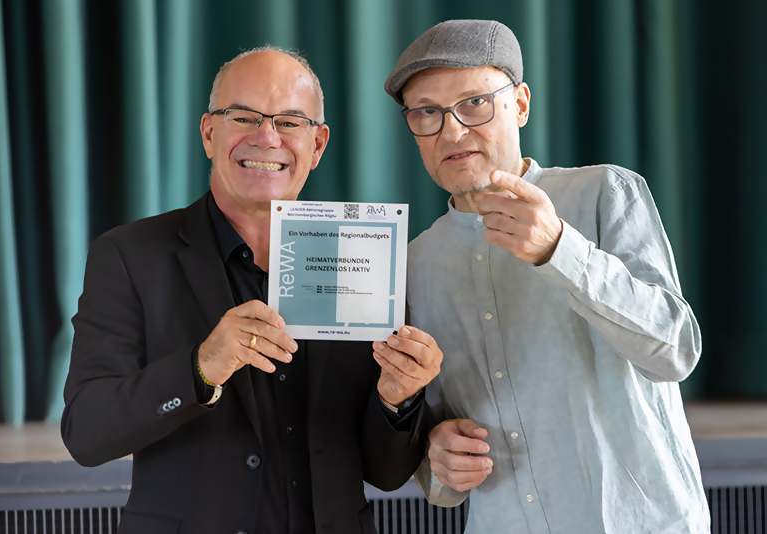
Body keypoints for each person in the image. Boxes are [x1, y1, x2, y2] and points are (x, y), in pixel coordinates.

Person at [62, 46, 442, 534]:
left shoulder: (367, 258)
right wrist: (200, 369)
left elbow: (386, 474)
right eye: (243, 116)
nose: (267, 137)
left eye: (289, 122)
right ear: (208, 133)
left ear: (318, 144)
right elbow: (86, 434)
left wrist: (396, 400)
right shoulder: (130, 256)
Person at [384, 19, 709, 533]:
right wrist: (437, 458)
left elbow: (675, 351)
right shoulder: (411, 263)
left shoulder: (604, 193)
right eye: (427, 112)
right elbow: (439, 468)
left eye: (474, 103)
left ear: (520, 103)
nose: (451, 130)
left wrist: (561, 249)